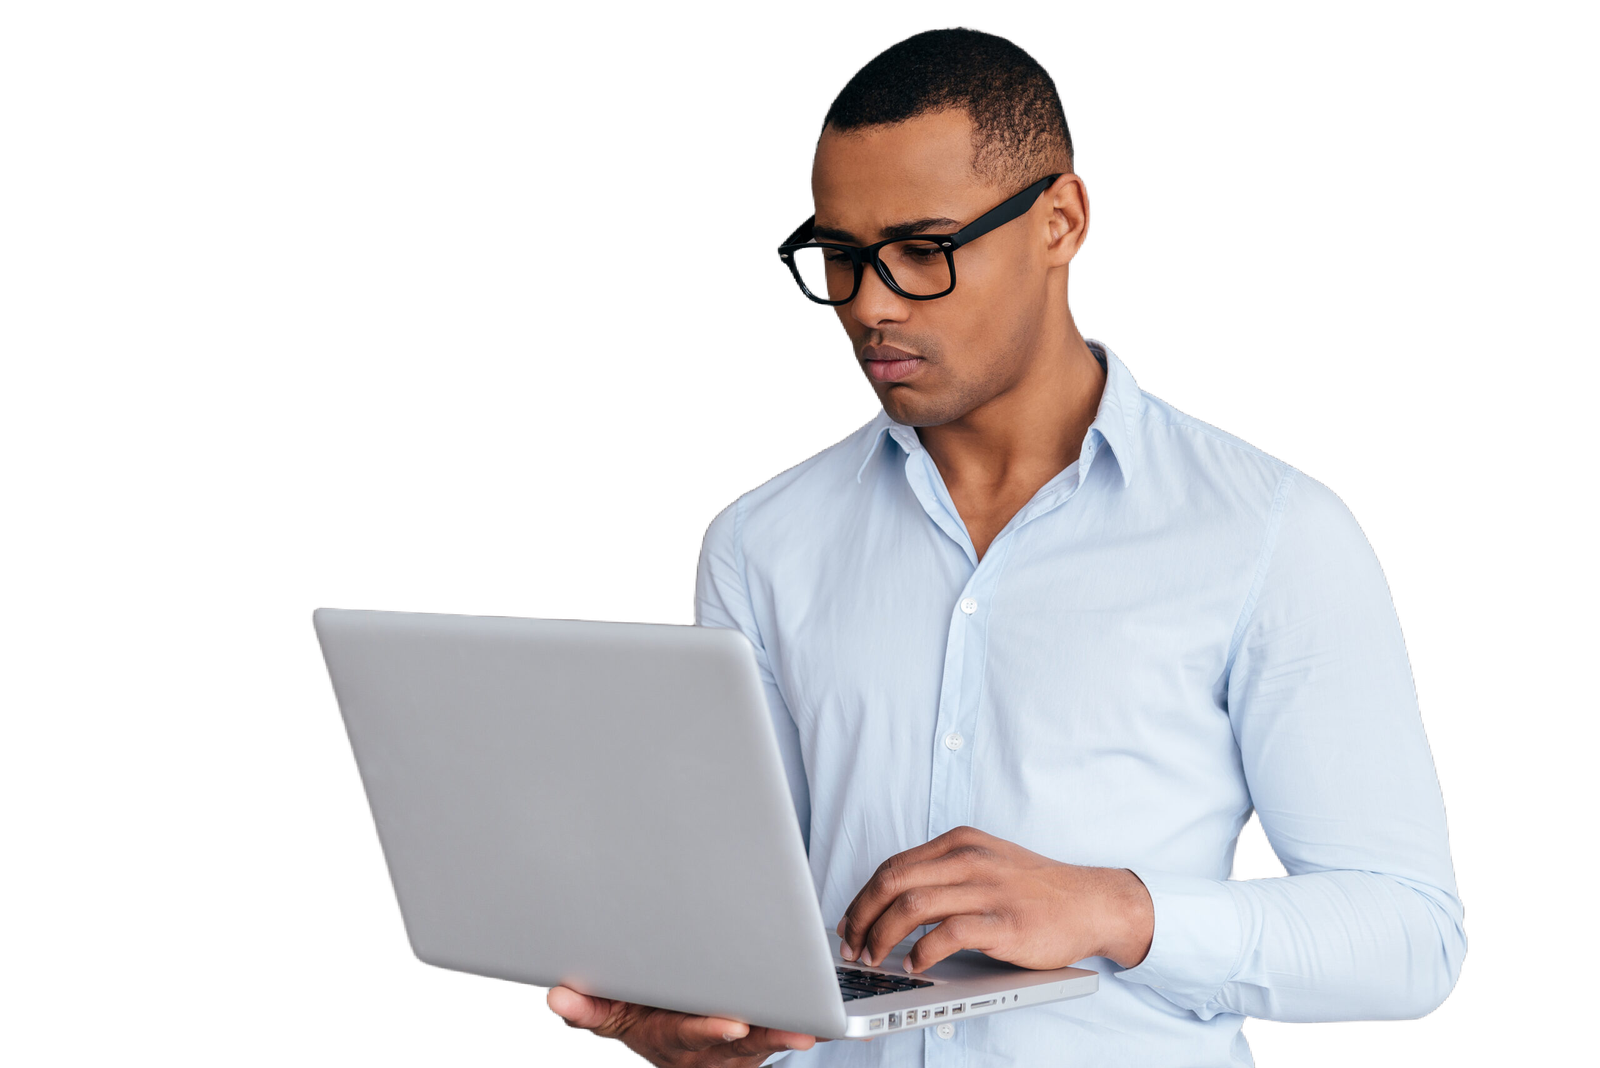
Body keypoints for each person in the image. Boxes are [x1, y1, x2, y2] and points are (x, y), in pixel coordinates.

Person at [547, 26, 1465, 1066]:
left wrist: (1119, 910)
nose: (871, 305)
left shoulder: (1270, 533)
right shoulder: (760, 542)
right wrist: (688, 1006)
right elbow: (749, 909)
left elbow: (1408, 940)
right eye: (839, 257)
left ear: (1061, 221)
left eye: (922, 251)